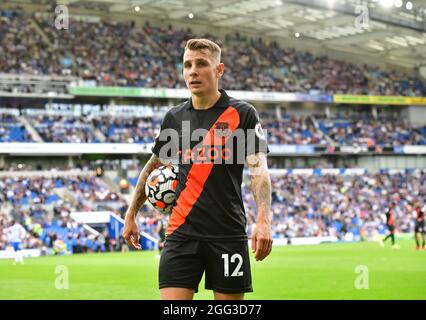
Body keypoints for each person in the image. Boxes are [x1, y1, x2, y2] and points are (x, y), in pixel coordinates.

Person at [123, 38, 272, 300]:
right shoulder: (174, 117)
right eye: (187, 65)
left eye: (201, 64)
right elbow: (153, 165)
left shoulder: (243, 114)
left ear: (219, 69)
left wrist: (263, 220)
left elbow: (259, 170)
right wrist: (131, 213)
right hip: (181, 233)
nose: (193, 71)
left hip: (227, 233)